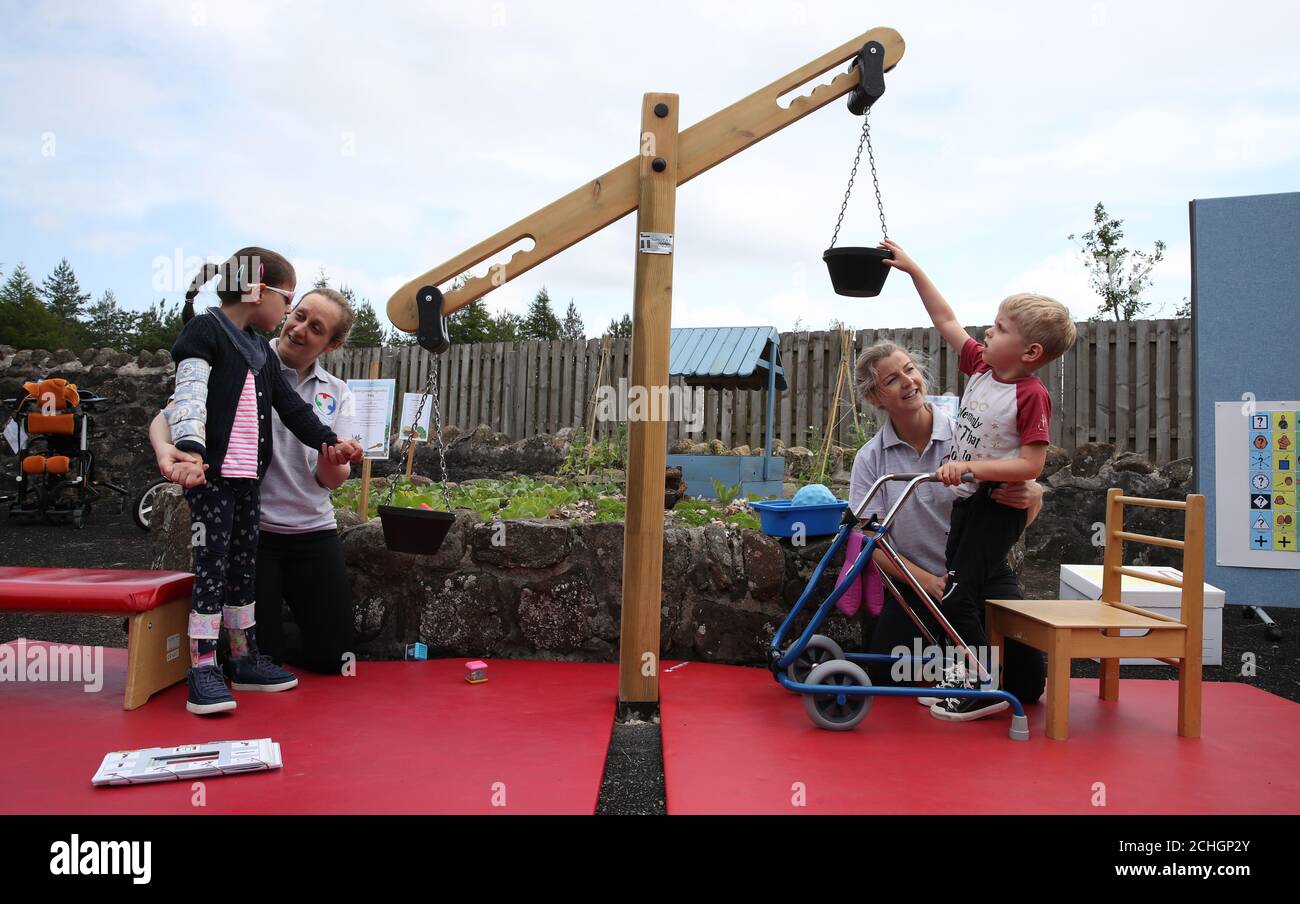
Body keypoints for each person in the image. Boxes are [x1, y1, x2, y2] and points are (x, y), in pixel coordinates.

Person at [879, 239, 1075, 721]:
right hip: (969, 502)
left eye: (1001, 327)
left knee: (959, 594)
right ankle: (964, 672)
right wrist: (913, 270)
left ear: (1029, 350)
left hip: (993, 503)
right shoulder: (983, 368)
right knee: (956, 589)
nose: (989, 330)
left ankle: (978, 685)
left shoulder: (1031, 396)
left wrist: (970, 468)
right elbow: (946, 320)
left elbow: (1031, 465)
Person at [162, 248, 362, 715]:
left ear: (330, 344)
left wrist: (331, 441)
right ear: (260, 292)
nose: (292, 321)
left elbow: (293, 411)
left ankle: (243, 654)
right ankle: (204, 667)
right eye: (292, 305)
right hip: (214, 478)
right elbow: (187, 396)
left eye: (315, 326)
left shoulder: (259, 354)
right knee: (212, 573)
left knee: (241, 576)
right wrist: (190, 449)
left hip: (253, 488)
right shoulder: (208, 330)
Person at [849, 341, 1048, 718]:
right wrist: (925, 581)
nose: (909, 382)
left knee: (1027, 686)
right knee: (891, 675)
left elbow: (1012, 506)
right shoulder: (870, 459)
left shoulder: (967, 436)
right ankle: (958, 666)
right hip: (918, 584)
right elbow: (867, 541)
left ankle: (968, 668)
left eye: (910, 369)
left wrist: (1033, 496)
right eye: (892, 379)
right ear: (876, 397)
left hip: (982, 576)